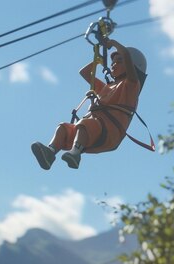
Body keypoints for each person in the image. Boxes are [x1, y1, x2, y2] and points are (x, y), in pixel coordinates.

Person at [31, 38, 147, 170]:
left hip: (110, 132)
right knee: (63, 127)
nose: (113, 65)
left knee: (84, 124)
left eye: (119, 61)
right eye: (113, 62)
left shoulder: (131, 87)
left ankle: (75, 153)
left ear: (132, 66)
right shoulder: (106, 88)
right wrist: (97, 61)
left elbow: (126, 55)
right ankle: (50, 152)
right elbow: (85, 73)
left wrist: (113, 43)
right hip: (94, 129)